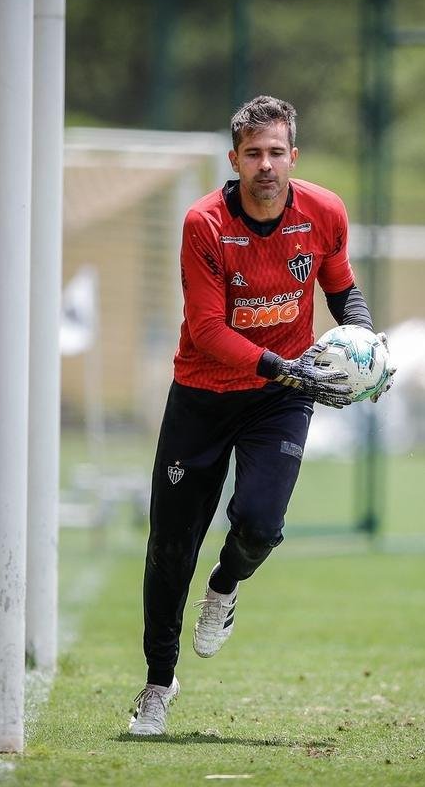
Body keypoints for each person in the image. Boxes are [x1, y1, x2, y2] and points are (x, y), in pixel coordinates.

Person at [129, 95, 393, 735]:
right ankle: (158, 686)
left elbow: (342, 288)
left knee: (260, 525)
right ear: (235, 159)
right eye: (254, 154)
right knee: (171, 549)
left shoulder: (324, 211)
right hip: (202, 395)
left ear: (293, 156)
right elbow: (207, 329)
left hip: (279, 398)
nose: (266, 165)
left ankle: (224, 587)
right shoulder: (204, 223)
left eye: (276, 152)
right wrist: (286, 367)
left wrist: (366, 344)